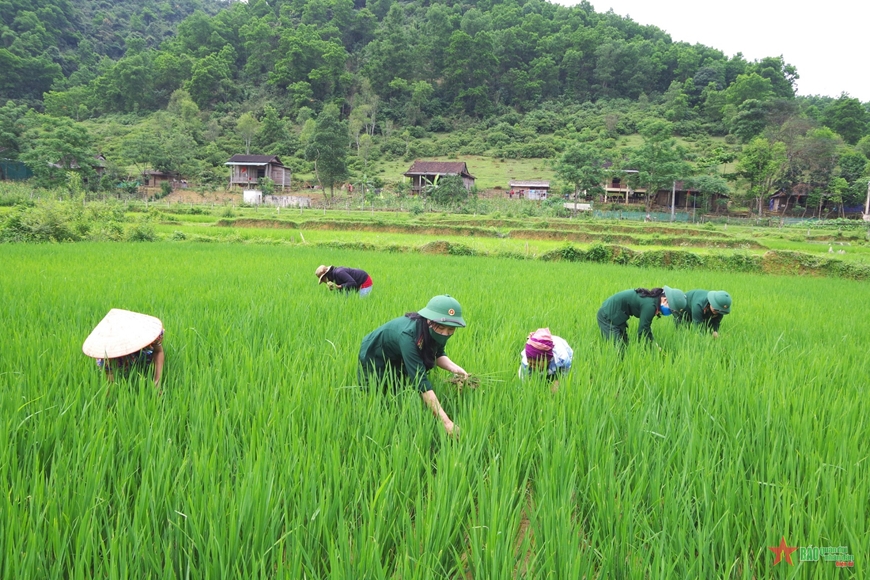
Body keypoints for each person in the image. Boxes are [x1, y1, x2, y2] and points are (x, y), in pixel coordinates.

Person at [358, 295, 469, 436]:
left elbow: (438, 354)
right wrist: (446, 422)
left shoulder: (435, 331)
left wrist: (456, 369)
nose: (445, 334)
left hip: (398, 356)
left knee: (398, 388)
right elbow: (421, 382)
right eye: (441, 328)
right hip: (375, 354)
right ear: (429, 320)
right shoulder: (409, 336)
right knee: (375, 396)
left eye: (451, 330)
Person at [82, 309, 165, 386]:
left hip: (142, 355)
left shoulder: (151, 335)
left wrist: (157, 381)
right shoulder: (107, 358)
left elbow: (158, 352)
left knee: (147, 356)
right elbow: (111, 384)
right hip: (119, 362)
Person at [597, 286, 687, 346]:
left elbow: (646, 328)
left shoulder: (654, 301)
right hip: (607, 316)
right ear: (665, 300)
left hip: (618, 316)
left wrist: (652, 341)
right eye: (671, 310)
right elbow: (642, 331)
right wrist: (651, 347)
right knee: (617, 348)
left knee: (625, 344)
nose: (670, 313)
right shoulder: (650, 306)